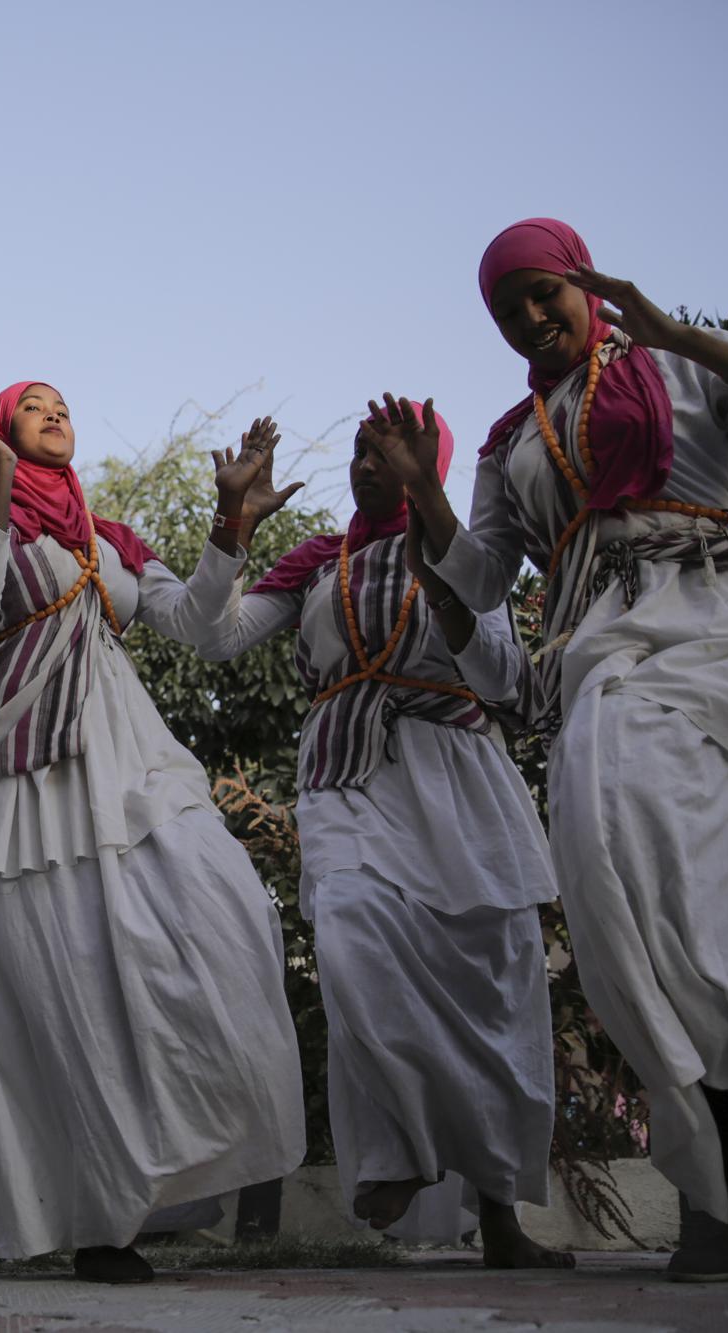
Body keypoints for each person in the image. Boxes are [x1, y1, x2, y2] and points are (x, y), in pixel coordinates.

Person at [363, 216, 728, 1279]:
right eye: (505, 309)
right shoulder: (509, 440)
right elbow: (476, 582)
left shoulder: (680, 364)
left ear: (582, 281)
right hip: (606, 655)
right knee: (633, 910)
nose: (528, 320)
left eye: (542, 293)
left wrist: (682, 334)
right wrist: (419, 490)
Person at [0, 383, 305, 1284]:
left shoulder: (108, 535)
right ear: (0, 426)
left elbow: (199, 629)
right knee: (71, 992)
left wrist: (229, 523)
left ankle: (181, 1160)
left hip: (127, 758)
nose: (55, 413)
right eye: (33, 406)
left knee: (223, 913)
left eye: (62, 404)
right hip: (26, 782)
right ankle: (104, 1222)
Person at [199, 405, 571, 1267]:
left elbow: (509, 682)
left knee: (492, 991)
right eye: (362, 450)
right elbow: (217, 638)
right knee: (354, 944)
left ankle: (503, 1221)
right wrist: (234, 525)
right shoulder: (320, 561)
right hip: (347, 781)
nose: (370, 463)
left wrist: (448, 600)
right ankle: (400, 1151)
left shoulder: (467, 559)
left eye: (390, 450)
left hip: (458, 784)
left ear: (427, 461)